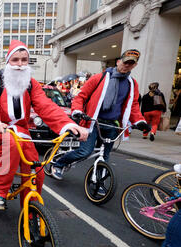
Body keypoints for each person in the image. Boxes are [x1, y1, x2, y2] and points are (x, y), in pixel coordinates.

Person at [0, 40, 89, 211]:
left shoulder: (31, 83)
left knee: (36, 170)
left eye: (24, 60)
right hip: (0, 129)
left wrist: (67, 125)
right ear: (8, 61)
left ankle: (32, 211)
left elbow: (45, 106)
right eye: (15, 60)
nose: (20, 64)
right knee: (11, 146)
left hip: (23, 132)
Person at [51, 49, 152, 181]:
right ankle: (59, 164)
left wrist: (139, 121)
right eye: (125, 62)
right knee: (85, 151)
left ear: (134, 65)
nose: (127, 65)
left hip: (112, 125)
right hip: (93, 121)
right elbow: (81, 96)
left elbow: (132, 106)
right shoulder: (100, 77)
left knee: (105, 156)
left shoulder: (131, 83)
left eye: (131, 64)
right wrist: (77, 111)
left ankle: (99, 182)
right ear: (118, 62)